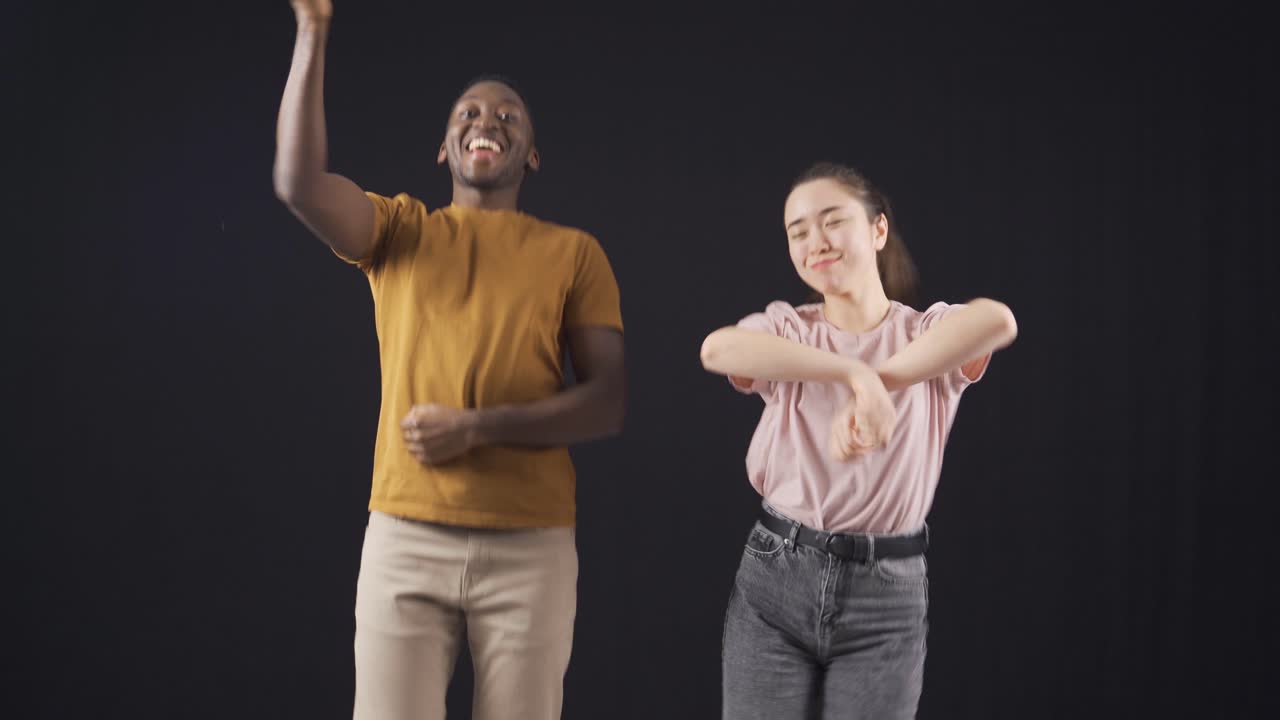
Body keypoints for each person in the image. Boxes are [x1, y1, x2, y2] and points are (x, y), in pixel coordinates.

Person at [272, 2, 626, 718]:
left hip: (531, 546)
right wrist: (313, 32)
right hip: (406, 538)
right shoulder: (398, 231)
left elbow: (606, 402)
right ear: (444, 149)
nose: (486, 121)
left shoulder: (573, 253)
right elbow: (298, 184)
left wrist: (476, 428)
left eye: (507, 115)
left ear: (531, 155)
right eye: (468, 113)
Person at [700, 161, 1017, 719]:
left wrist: (882, 381)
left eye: (832, 221)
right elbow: (718, 350)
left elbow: (998, 320)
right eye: (798, 232)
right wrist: (853, 376)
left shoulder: (924, 334)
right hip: (775, 575)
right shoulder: (789, 329)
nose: (815, 242)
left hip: (886, 595)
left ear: (878, 229)